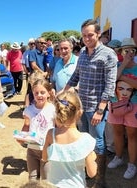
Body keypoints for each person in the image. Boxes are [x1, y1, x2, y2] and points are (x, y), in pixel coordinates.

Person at [63, 19, 117, 187]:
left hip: (96, 108)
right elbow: (76, 75)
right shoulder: (84, 54)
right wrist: (64, 92)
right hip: (81, 106)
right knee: (84, 139)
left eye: (90, 35)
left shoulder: (108, 54)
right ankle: (89, 171)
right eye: (84, 35)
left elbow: (110, 84)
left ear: (99, 34)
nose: (87, 38)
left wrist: (100, 110)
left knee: (97, 141)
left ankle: (100, 179)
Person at [42, 90, 97, 187]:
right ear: (79, 113)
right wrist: (93, 158)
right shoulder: (85, 140)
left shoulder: (51, 134)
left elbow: (44, 157)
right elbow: (92, 173)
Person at [107, 38, 137, 179]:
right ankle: (118, 157)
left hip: (133, 105)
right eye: (126, 50)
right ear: (121, 52)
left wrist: (123, 76)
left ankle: (131, 164)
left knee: (131, 135)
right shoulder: (116, 65)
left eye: (132, 50)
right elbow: (112, 82)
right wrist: (124, 64)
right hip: (115, 104)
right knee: (117, 132)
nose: (129, 53)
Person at [17, 78, 55, 180]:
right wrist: (21, 138)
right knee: (32, 178)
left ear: (49, 93)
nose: (39, 95)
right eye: (36, 93)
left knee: (46, 179)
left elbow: (57, 129)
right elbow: (26, 125)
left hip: (48, 151)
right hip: (32, 150)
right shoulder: (29, 110)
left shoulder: (53, 110)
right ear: (33, 94)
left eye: (42, 92)